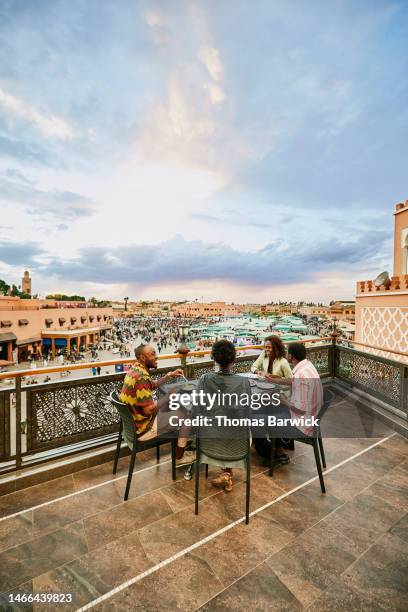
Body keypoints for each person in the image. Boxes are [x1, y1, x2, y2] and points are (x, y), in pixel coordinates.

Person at [119, 344, 193, 462]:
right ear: (143, 358)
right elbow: (148, 410)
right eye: (153, 354)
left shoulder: (135, 370)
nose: (156, 357)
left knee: (174, 406)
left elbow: (152, 385)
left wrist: (169, 375)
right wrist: (169, 396)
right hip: (143, 429)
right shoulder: (140, 377)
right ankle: (180, 456)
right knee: (187, 414)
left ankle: (182, 443)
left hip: (134, 424)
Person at [195, 340, 251, 492]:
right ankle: (228, 473)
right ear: (234, 359)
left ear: (213, 358)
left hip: (209, 442)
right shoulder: (243, 382)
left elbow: (197, 408)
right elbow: (247, 412)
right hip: (237, 444)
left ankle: (226, 473)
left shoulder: (205, 379)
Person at [275, 342, 323, 437]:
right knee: (278, 409)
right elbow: (293, 381)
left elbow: (300, 410)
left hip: (303, 426)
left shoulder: (300, 375)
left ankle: (270, 449)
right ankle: (284, 443)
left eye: (286, 352)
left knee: (263, 419)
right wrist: (275, 380)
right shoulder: (308, 366)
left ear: (290, 356)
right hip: (313, 418)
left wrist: (283, 400)